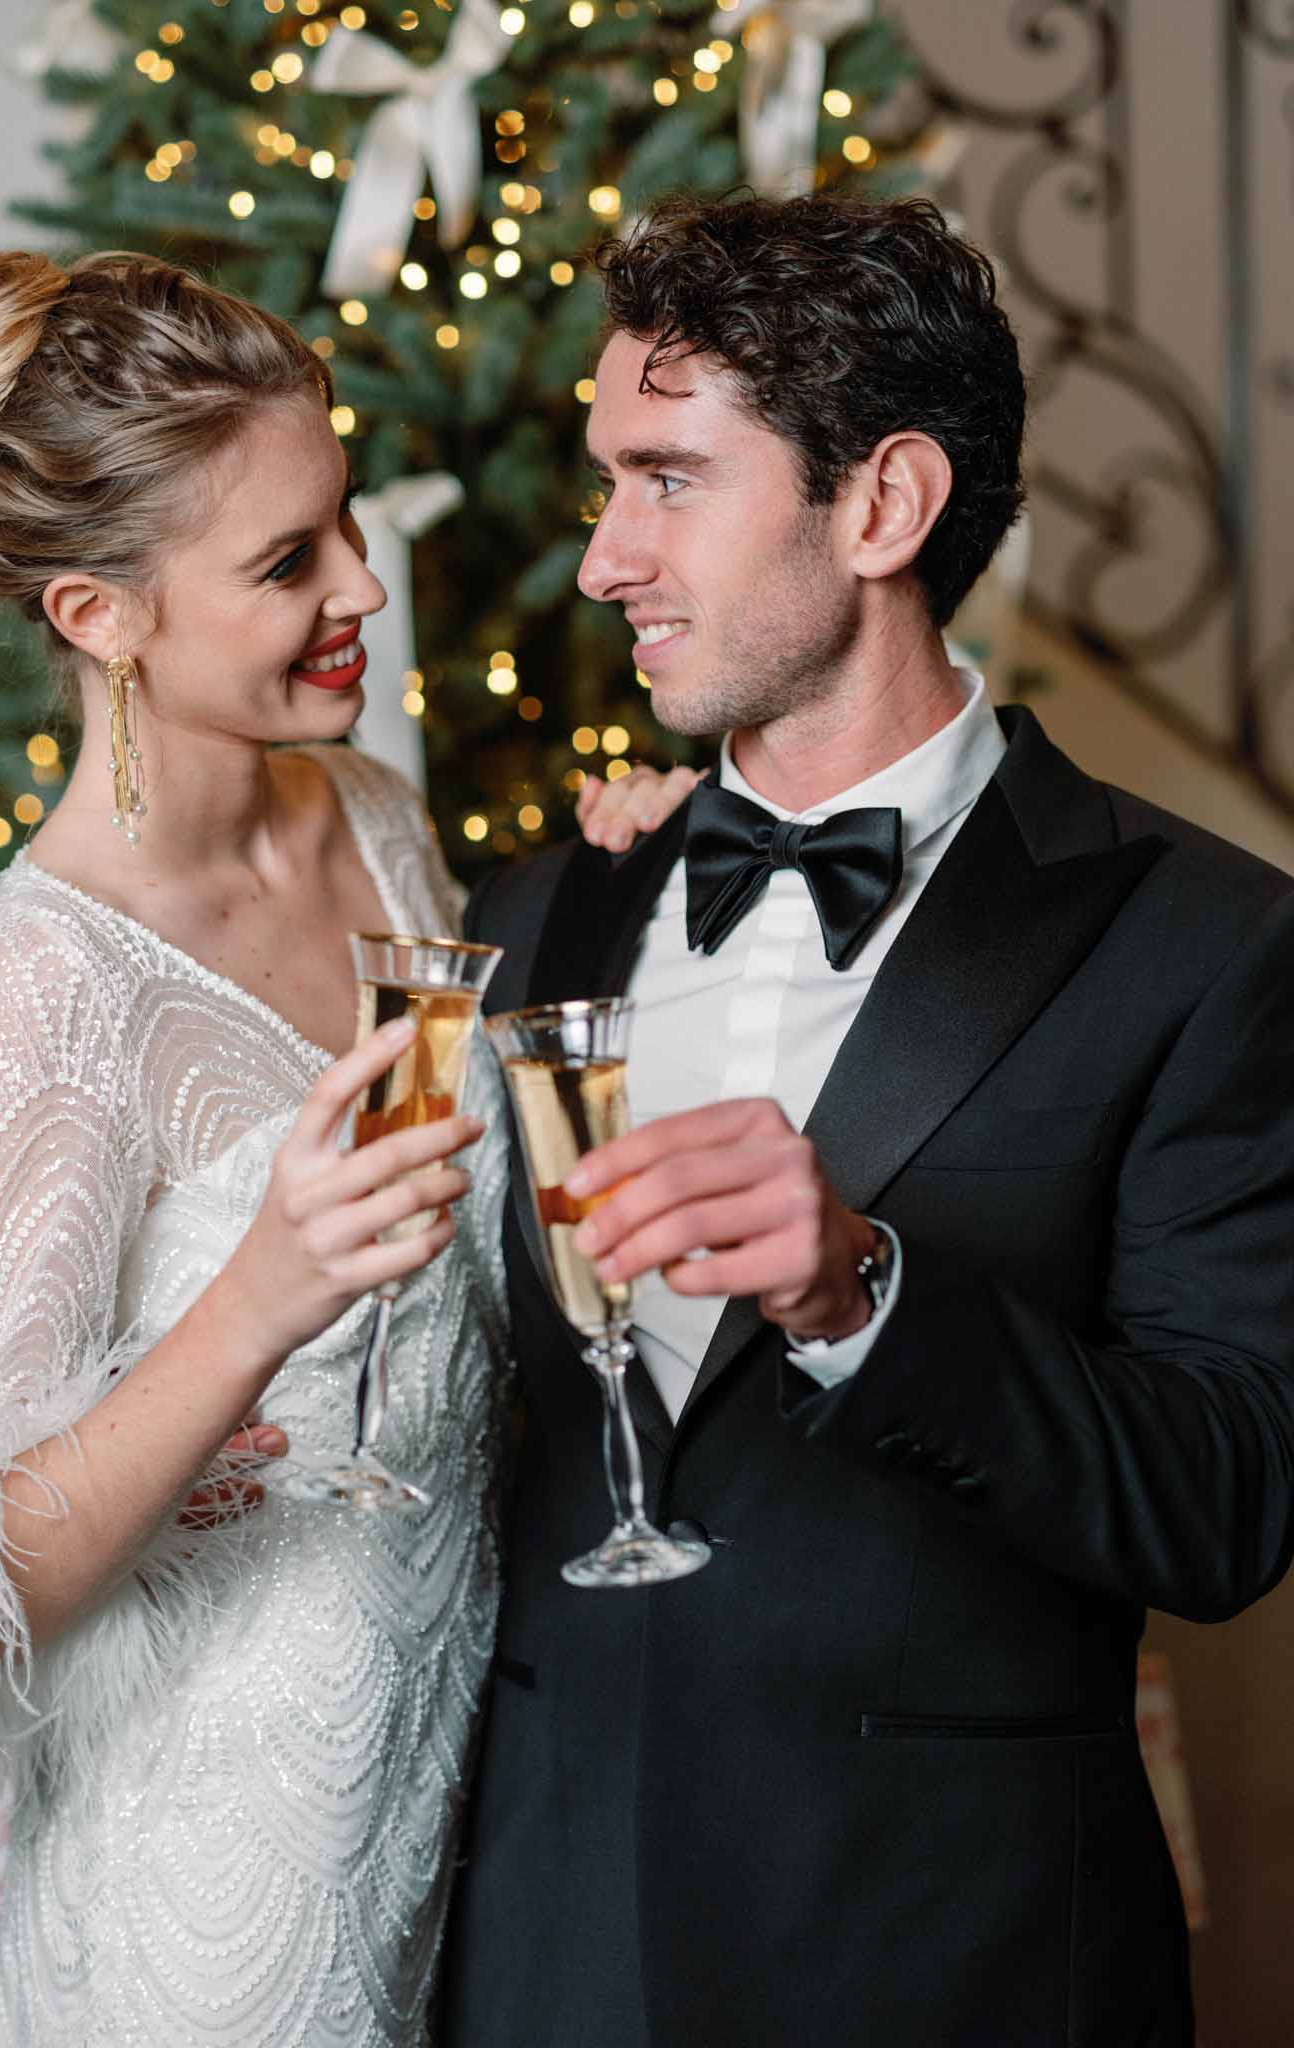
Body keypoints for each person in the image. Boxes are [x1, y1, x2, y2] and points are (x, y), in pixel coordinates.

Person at [441, 193, 1294, 2048]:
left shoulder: (1208, 939)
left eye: (668, 479)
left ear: (885, 507)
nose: (603, 560)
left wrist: (867, 1291)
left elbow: (1226, 1503)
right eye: (607, 480)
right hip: (543, 1943)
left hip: (952, 1959)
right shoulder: (532, 916)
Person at [0, 247, 681, 2048]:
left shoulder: (378, 825)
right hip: (213, 1894)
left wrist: (632, 901)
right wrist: (257, 1294)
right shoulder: (40, 982)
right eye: (287, 561)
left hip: (449, 1802)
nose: (363, 588)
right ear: (100, 616)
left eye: (342, 523)